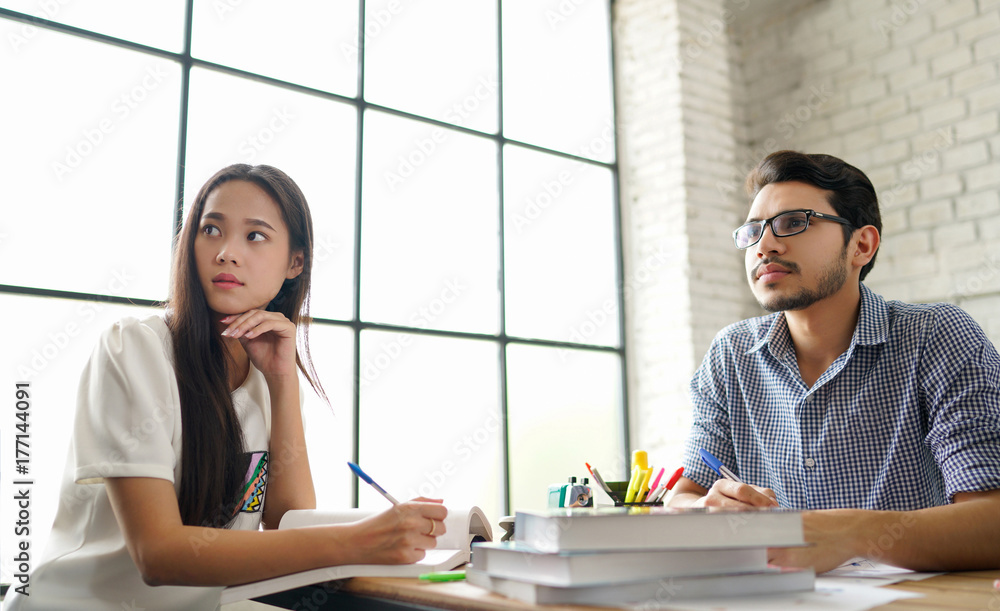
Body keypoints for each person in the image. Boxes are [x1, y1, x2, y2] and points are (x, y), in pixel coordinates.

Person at [7, 165, 447, 610]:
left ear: (296, 262)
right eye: (211, 230)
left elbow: (285, 525)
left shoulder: (265, 369)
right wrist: (359, 541)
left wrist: (282, 381)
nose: (226, 253)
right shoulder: (135, 348)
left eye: (255, 236)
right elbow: (158, 555)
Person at [668, 151, 1000, 573]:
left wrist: (851, 533)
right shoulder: (730, 354)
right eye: (752, 232)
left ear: (861, 245)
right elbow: (683, 496)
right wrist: (705, 511)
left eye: (794, 222)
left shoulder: (935, 336)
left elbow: (992, 522)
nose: (764, 245)